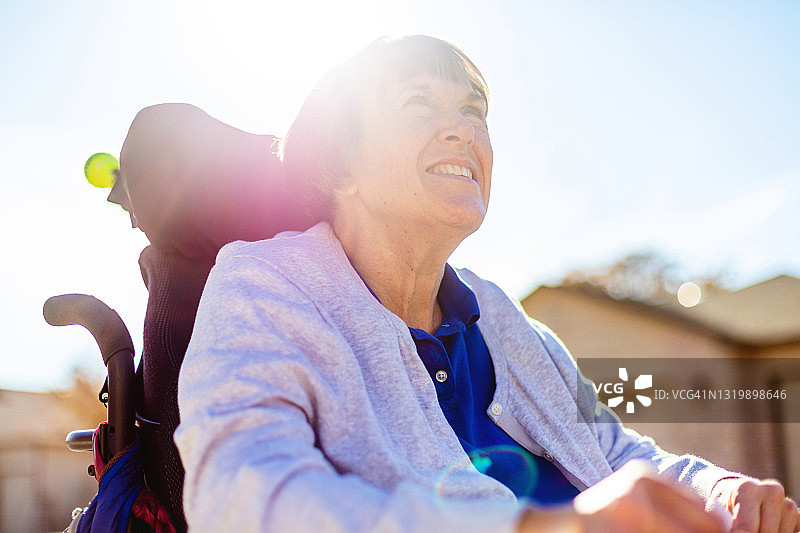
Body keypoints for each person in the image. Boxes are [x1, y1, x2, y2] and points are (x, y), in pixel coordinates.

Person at [174, 35, 800, 533]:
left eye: (473, 112)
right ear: (340, 166)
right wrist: (544, 528)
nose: (465, 131)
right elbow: (241, 495)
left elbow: (617, 451)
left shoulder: (500, 314)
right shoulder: (266, 286)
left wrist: (718, 490)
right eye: (418, 103)